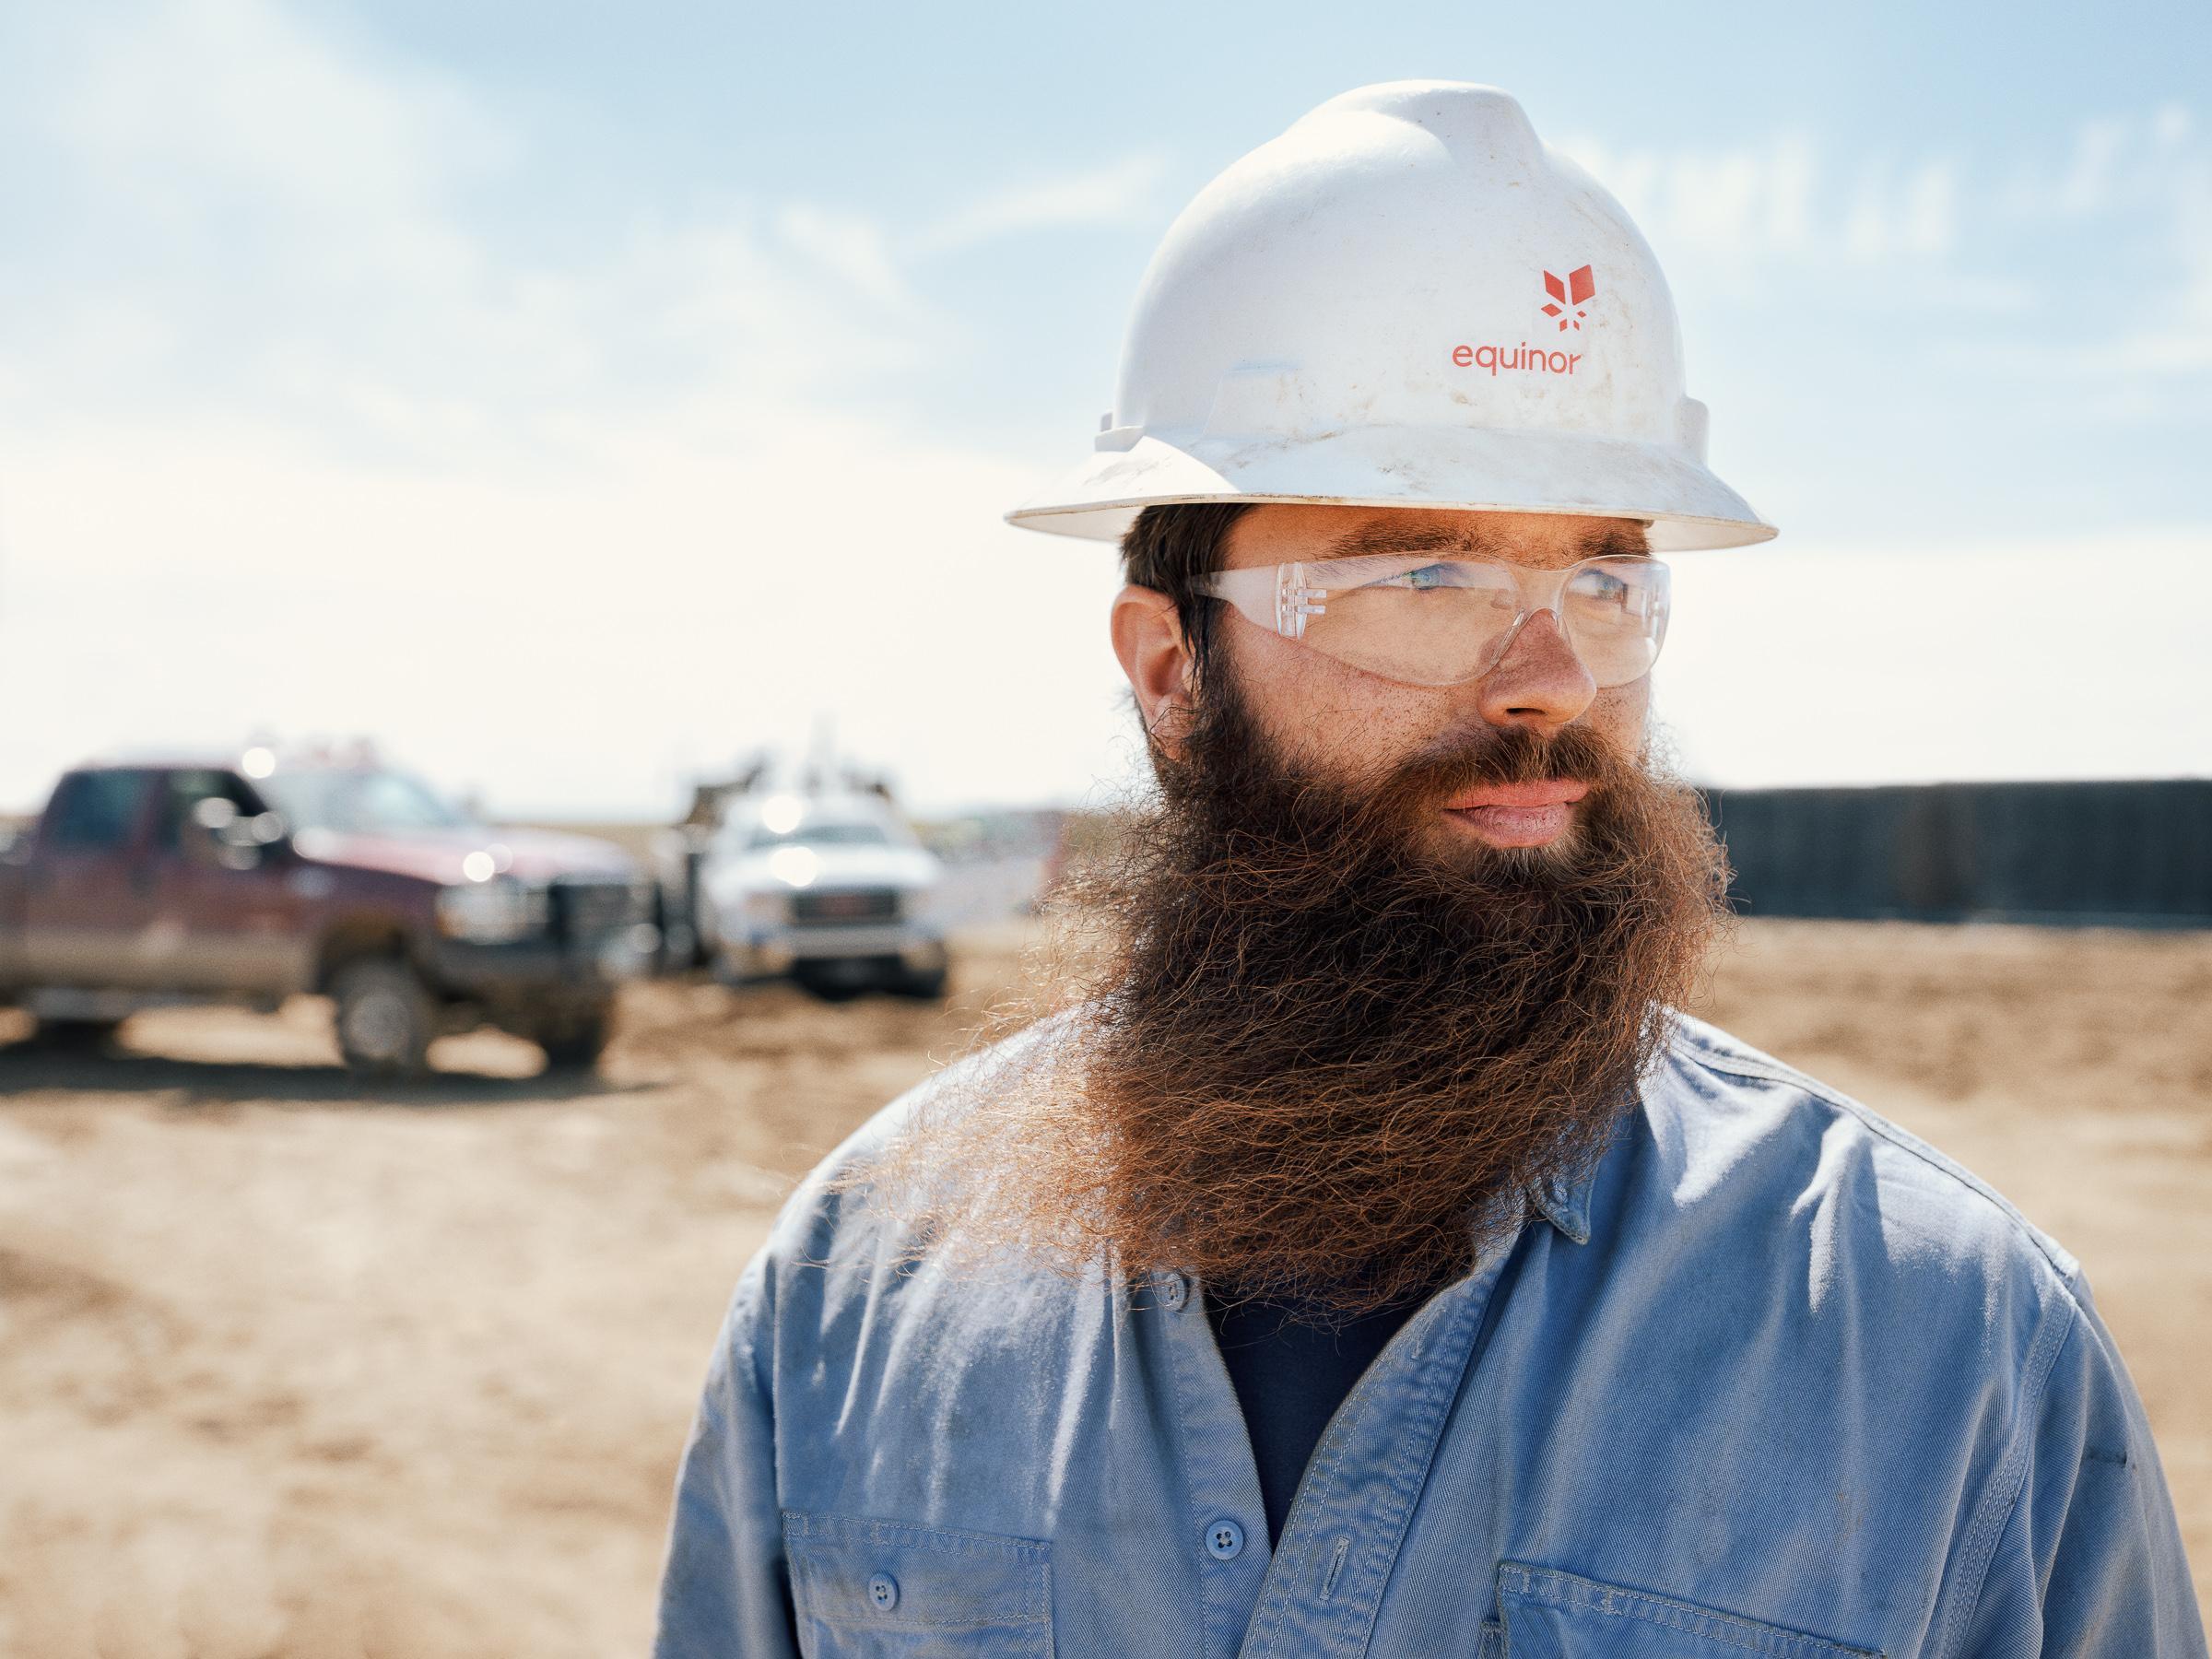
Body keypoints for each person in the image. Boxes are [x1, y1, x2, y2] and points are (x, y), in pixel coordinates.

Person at [653, 83, 2205, 1656]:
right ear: (1173, 672)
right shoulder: (859, 1288)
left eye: (1605, 574)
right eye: (1428, 568)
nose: (1552, 679)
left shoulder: (1954, 1354)